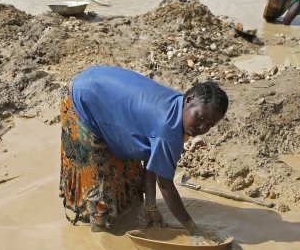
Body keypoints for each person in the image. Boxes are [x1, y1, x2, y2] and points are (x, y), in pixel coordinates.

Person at [59, 65, 228, 240]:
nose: (202, 128)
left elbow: (152, 157)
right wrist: (193, 229)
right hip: (82, 98)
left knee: (126, 169)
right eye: (200, 118)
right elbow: (165, 185)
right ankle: (101, 236)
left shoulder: (180, 108)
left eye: (210, 125)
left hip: (102, 87)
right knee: (99, 181)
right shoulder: (167, 129)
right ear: (189, 99)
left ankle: (128, 213)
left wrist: (150, 206)